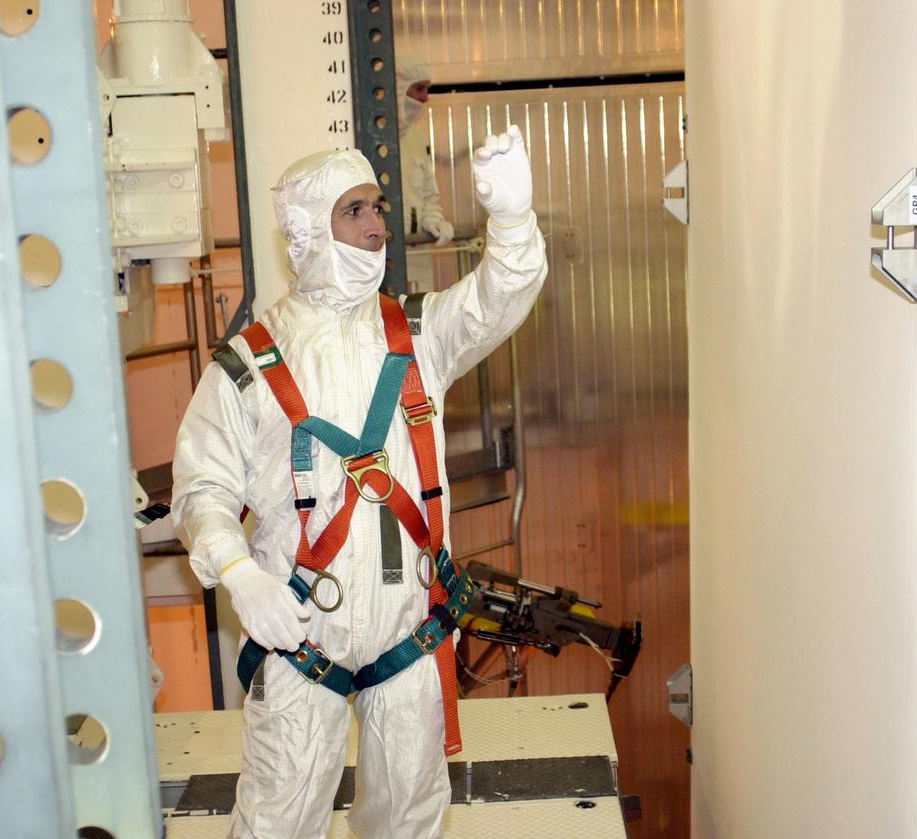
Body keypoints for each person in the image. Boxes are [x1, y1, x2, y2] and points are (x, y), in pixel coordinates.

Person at [171, 126, 545, 839]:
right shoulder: (249, 363)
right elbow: (201, 490)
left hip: (409, 635)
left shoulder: (418, 334)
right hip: (301, 638)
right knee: (278, 822)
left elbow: (499, 297)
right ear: (308, 230)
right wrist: (238, 573)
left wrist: (512, 221)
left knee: (408, 819)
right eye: (355, 210)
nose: (376, 224)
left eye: (378, 206)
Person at [396, 55, 454, 244]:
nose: (425, 97)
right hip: (381, 252)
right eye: (419, 88)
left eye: (427, 89)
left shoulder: (417, 137)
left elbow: (429, 193)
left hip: (418, 245)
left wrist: (433, 219)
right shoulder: (367, 139)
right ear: (398, 89)